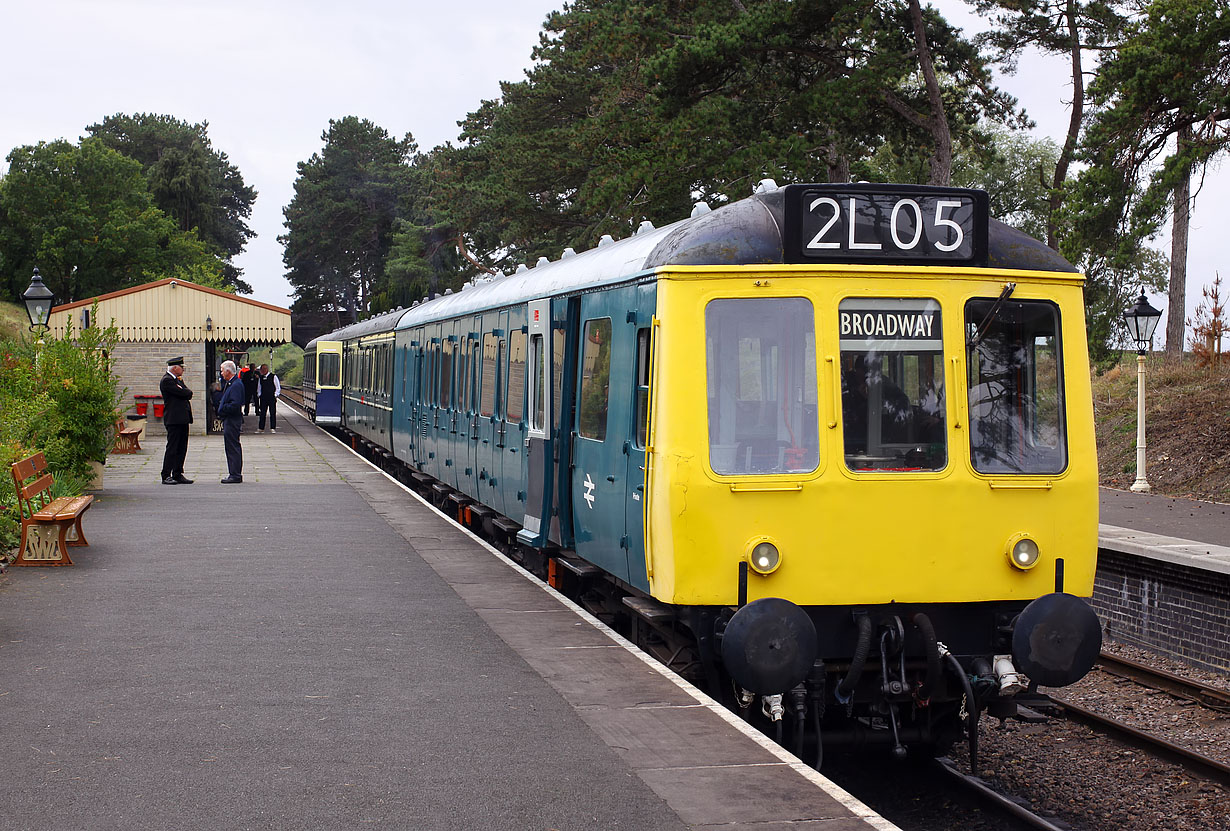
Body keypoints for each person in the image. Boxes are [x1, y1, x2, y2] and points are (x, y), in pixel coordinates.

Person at [159, 356, 194, 485]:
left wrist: (185, 391)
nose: (183, 370)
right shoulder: (167, 381)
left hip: (183, 419)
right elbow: (186, 393)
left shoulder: (177, 380)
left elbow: (187, 392)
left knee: (182, 447)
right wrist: (185, 391)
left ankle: (178, 473)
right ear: (174, 368)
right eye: (181, 368)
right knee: (172, 447)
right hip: (174, 419)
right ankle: (166, 474)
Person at [214, 360, 245, 483]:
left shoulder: (236, 385)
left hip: (232, 420)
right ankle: (233, 472)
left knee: (232, 447)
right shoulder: (231, 383)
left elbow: (235, 404)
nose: (221, 373)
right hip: (230, 419)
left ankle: (235, 474)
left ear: (228, 371)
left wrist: (222, 408)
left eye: (222, 371)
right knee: (231, 446)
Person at [257, 363, 281, 433]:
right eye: (262, 369)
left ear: (267, 369)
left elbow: (277, 387)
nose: (263, 371)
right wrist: (259, 394)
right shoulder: (260, 378)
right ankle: (261, 428)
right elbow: (259, 387)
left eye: (264, 369)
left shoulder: (273, 376)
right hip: (263, 398)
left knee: (272, 413)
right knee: (262, 413)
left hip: (271, 397)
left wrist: (275, 395)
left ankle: (273, 427)